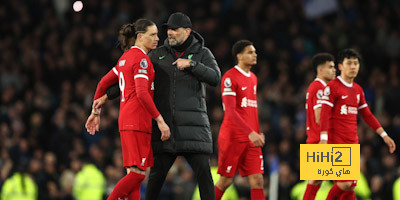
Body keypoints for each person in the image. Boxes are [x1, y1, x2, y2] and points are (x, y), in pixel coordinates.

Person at [97, 12, 221, 200]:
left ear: (187, 31)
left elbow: (215, 78)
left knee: (205, 176)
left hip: (193, 129)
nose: (169, 33)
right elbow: (133, 82)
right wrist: (107, 96)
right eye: (168, 30)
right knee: (154, 179)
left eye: (174, 30)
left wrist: (192, 64)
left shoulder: (202, 53)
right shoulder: (157, 54)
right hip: (166, 129)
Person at [85, 18, 170, 200]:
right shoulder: (142, 60)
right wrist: (160, 120)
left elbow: (102, 83)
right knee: (138, 174)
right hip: (138, 121)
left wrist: (95, 112)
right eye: (153, 35)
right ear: (140, 37)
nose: (157, 38)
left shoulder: (124, 58)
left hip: (127, 120)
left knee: (134, 174)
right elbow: (141, 93)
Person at [319, 49, 396, 200]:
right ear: (340, 66)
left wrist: (384, 135)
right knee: (346, 183)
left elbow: (367, 115)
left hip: (352, 142)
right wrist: (323, 137)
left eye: (356, 63)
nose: (353, 66)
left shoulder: (358, 90)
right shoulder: (332, 87)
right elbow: (324, 113)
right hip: (336, 142)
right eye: (349, 63)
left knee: (351, 187)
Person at [214, 40, 265, 200]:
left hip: (251, 138)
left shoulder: (253, 78)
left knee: (257, 180)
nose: (254, 55)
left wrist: (256, 132)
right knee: (226, 180)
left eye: (255, 52)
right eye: (250, 52)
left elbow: (250, 110)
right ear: (239, 56)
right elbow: (230, 111)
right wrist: (250, 133)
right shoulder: (229, 77)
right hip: (233, 137)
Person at [303, 53, 336, 200]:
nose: (334, 70)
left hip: (317, 139)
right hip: (321, 140)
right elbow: (319, 116)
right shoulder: (320, 88)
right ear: (320, 70)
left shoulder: (316, 87)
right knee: (345, 181)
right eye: (330, 67)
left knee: (316, 181)